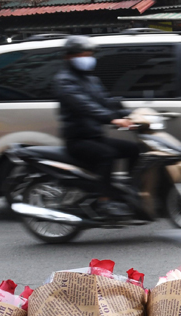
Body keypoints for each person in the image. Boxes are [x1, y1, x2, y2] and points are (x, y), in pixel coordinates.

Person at [54, 35, 138, 218]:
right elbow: (85, 106)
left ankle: (129, 190)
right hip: (78, 139)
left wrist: (129, 114)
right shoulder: (64, 81)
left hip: (95, 136)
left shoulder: (91, 80)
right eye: (83, 54)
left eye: (90, 54)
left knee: (134, 149)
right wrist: (112, 120)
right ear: (69, 56)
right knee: (106, 155)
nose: (88, 58)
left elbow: (106, 101)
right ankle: (104, 201)